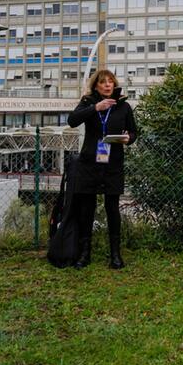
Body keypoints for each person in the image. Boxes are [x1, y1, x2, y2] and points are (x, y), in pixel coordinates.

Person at [67, 69, 139, 269]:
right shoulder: (88, 102)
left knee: (112, 208)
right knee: (86, 209)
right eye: (103, 82)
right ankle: (84, 254)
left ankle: (115, 255)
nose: (107, 85)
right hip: (90, 162)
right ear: (96, 86)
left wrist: (128, 139)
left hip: (113, 163)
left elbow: (133, 132)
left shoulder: (123, 106)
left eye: (110, 82)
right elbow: (72, 121)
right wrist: (96, 108)